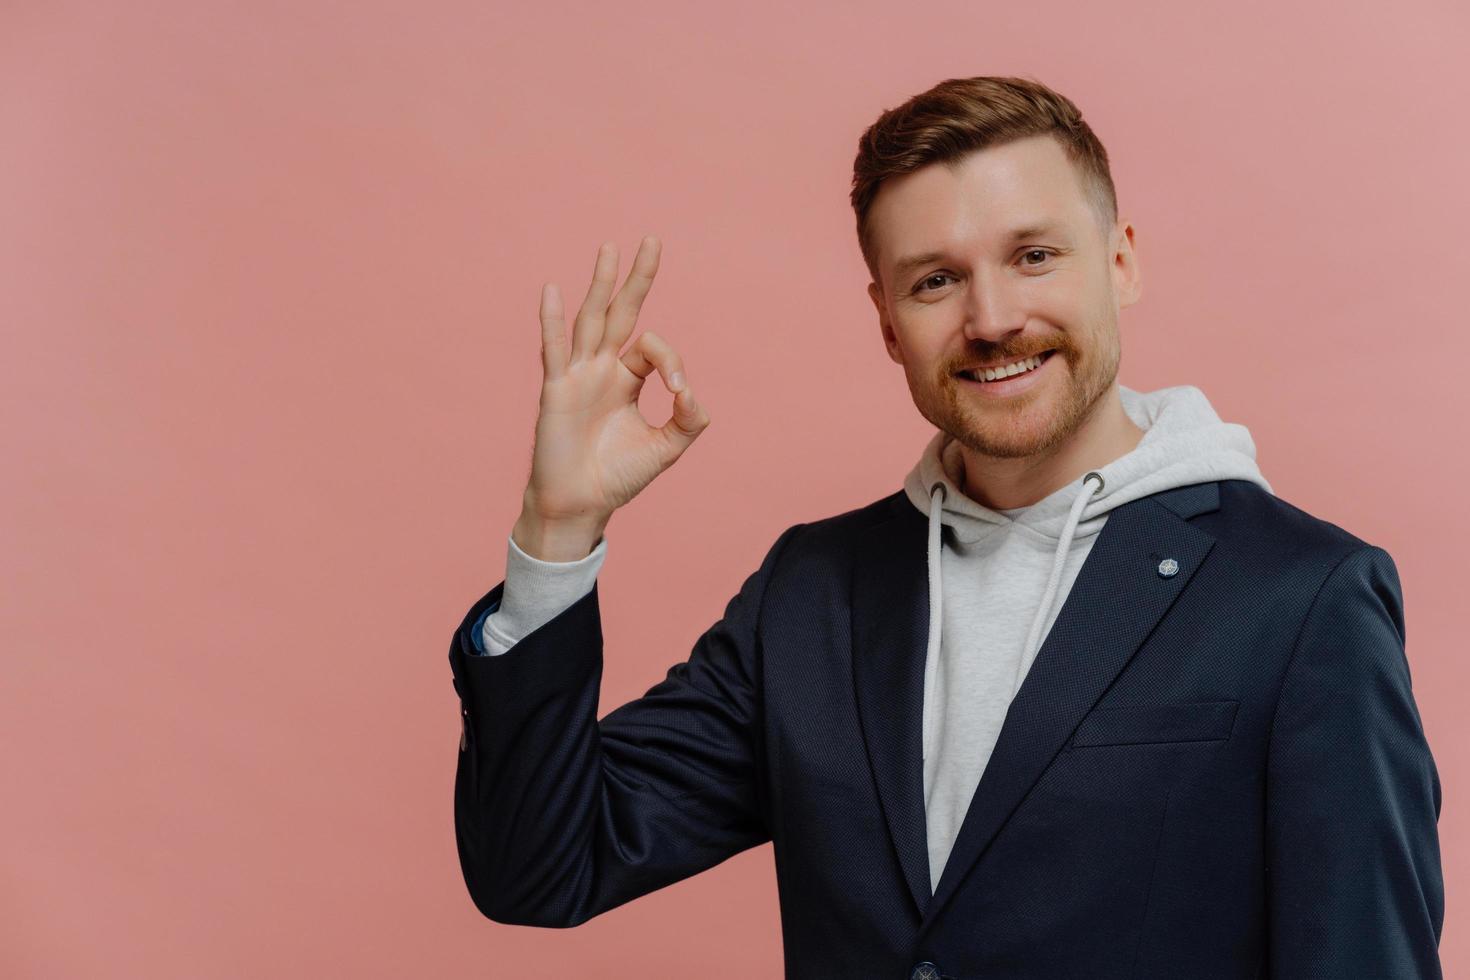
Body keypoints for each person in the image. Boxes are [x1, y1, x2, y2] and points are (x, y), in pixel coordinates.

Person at [447, 76, 1444, 978]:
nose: (993, 316)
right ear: (887, 322)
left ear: (1122, 260)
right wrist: (558, 529)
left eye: (1035, 255)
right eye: (935, 280)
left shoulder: (1302, 594)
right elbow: (542, 867)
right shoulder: (815, 588)